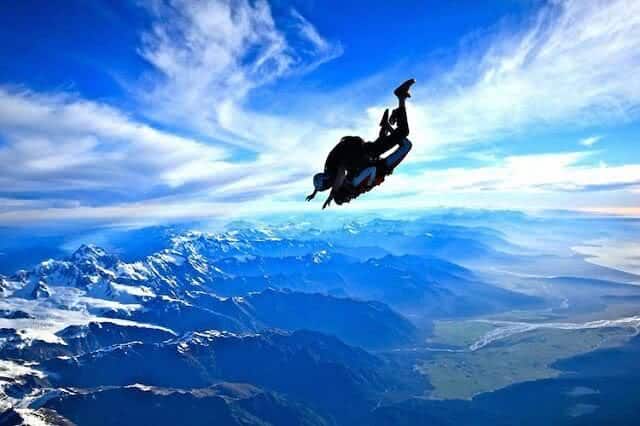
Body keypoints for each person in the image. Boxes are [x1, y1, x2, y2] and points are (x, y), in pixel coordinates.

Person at [306, 79, 415, 208]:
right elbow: (328, 181)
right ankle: (388, 122)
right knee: (382, 145)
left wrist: (333, 193)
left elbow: (339, 175)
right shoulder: (329, 168)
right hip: (362, 150)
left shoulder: (336, 171)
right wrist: (316, 194)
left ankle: (400, 96)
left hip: (365, 153)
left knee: (403, 132)